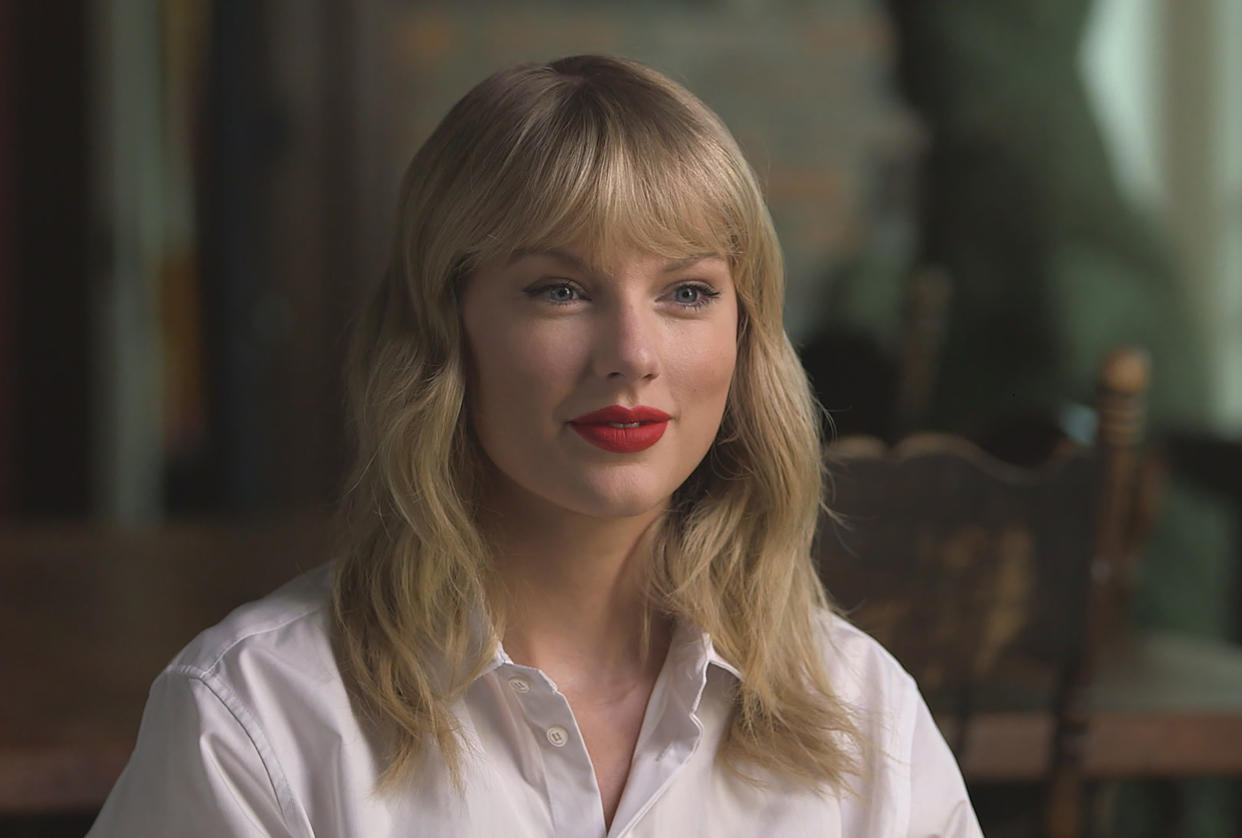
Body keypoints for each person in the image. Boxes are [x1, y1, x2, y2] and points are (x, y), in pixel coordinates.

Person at [89, 55, 982, 837]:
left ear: (745, 338)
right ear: (446, 330)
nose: (631, 353)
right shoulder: (255, 719)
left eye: (686, 292)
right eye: (559, 289)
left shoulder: (864, 712)